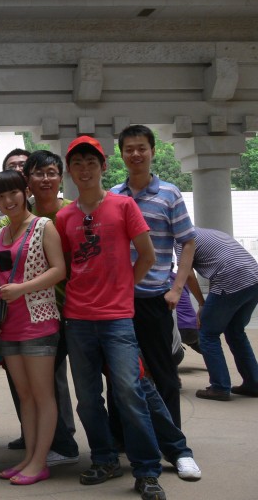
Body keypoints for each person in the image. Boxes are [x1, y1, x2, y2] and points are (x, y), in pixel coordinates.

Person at [55, 135, 167, 500]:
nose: (84, 170)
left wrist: (124, 289)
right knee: (87, 398)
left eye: (91, 162)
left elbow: (147, 256)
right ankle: (103, 459)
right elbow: (67, 266)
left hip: (117, 318)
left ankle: (147, 470)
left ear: (103, 166)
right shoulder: (65, 217)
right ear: (69, 171)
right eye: (77, 164)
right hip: (78, 319)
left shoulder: (123, 206)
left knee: (129, 392)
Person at [0, 169, 65, 485]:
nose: (7, 201)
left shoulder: (43, 226)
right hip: (9, 325)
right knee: (25, 395)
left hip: (39, 320)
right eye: (0, 196)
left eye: (12, 193)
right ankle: (29, 457)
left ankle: (40, 462)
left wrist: (23, 288)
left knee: (43, 395)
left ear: (25, 192)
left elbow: (59, 270)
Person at [111, 124, 195, 428]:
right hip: (119, 302)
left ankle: (172, 439)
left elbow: (187, 241)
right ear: (121, 154)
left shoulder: (169, 194)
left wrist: (177, 289)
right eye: (129, 149)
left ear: (153, 151)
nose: (136, 154)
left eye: (141, 148)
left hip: (154, 298)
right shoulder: (113, 196)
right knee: (120, 373)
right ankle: (121, 437)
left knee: (163, 372)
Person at [176, 227, 258, 401]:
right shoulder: (209, 233)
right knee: (235, 331)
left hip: (232, 279)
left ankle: (219, 387)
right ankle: (253, 383)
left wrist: (202, 303)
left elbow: (188, 274)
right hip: (253, 279)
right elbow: (218, 268)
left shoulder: (182, 239)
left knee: (207, 333)